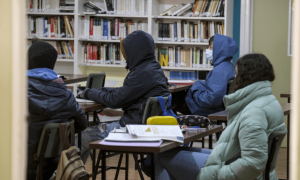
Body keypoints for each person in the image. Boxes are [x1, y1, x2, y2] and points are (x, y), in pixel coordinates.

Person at [155, 53, 286, 180]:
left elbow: (253, 163)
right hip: (240, 164)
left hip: (234, 171)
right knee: (170, 154)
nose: (235, 78)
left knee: (161, 157)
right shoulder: (268, 101)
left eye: (237, 73)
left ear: (246, 77)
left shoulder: (254, 112)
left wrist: (219, 175)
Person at [78, 30, 170, 163]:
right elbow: (125, 92)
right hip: (144, 127)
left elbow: (114, 101)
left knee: (80, 137)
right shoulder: (152, 68)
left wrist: (88, 93)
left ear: (134, 51)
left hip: (132, 130)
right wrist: (102, 90)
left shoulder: (141, 72)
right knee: (87, 133)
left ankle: (69, 175)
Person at [27, 39, 88, 180]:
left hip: (19, 164)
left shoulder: (16, 93)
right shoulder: (66, 94)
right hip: (55, 167)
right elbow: (82, 124)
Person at [172, 34, 237, 116]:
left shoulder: (219, 70)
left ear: (220, 50)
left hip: (206, 109)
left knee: (172, 98)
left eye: (211, 48)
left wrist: (195, 90)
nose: (208, 50)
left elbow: (212, 99)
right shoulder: (228, 66)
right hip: (213, 107)